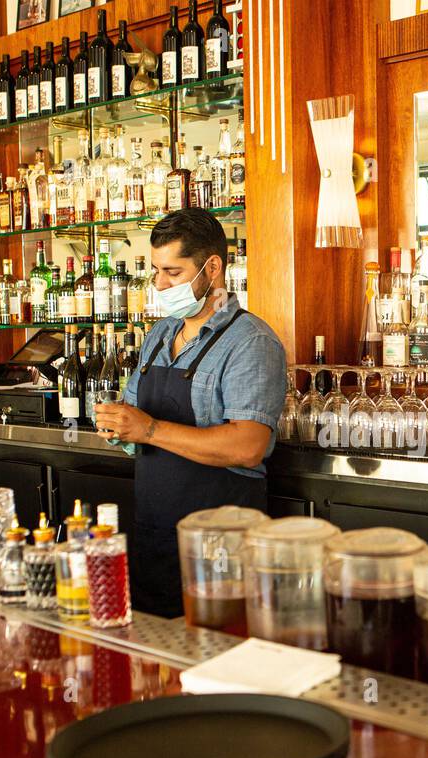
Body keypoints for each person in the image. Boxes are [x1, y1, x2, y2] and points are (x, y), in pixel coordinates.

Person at [93, 209, 286, 618]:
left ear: (212, 268)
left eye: (173, 273)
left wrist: (149, 430)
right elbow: (134, 415)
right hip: (155, 538)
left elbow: (248, 446)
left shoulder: (251, 342)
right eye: (156, 271)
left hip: (221, 553)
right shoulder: (160, 333)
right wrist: (118, 428)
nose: (160, 284)